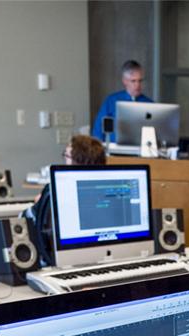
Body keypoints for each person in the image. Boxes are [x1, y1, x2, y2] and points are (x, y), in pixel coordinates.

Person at [27, 134, 106, 265]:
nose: (64, 158)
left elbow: (26, 220)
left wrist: (39, 204)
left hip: (58, 262)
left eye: (67, 155)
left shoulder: (54, 190)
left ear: (76, 161)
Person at [91, 59, 153, 139]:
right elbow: (98, 131)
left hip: (141, 149)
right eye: (133, 81)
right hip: (115, 149)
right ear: (125, 81)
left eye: (140, 81)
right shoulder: (111, 101)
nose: (137, 85)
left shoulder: (149, 104)